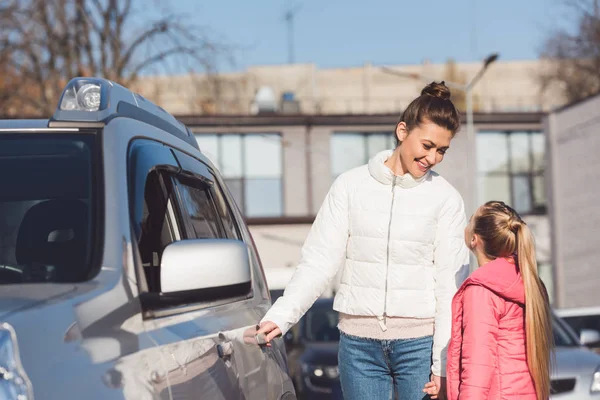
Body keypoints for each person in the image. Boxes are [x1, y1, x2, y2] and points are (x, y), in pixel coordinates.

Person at [257, 81, 470, 400]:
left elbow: (449, 286)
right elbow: (319, 261)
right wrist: (282, 315)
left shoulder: (446, 199)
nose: (433, 158)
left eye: (442, 150)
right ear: (402, 131)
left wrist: (441, 360)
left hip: (419, 347)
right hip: (359, 347)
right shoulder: (349, 186)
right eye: (427, 145)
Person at [424, 201, 553, 400]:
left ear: (474, 239)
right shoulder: (524, 280)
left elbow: (478, 364)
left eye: (470, 220)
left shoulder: (482, 289)